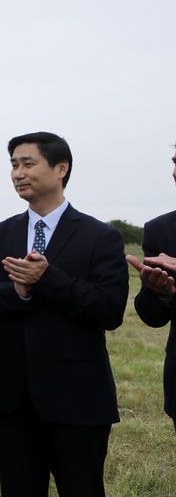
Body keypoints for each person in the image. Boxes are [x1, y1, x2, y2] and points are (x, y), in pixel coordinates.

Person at [0, 132, 127, 497]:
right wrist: (17, 290)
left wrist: (47, 279)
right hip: (12, 397)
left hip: (78, 397)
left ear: (61, 169)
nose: (18, 173)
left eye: (28, 163)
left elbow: (109, 310)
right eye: (13, 165)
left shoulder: (100, 237)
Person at [126, 143, 176, 432]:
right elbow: (152, 316)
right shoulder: (161, 230)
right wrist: (158, 291)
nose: (174, 172)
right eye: (174, 162)